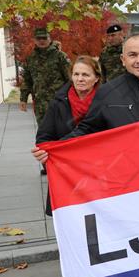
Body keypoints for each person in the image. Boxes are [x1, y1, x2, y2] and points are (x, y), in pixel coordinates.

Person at [31, 35, 139, 161]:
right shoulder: (106, 93)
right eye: (132, 55)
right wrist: (53, 149)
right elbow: (87, 129)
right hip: (123, 174)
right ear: (123, 60)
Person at [35, 55, 101, 215]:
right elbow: (44, 138)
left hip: (99, 175)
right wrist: (45, 157)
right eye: (76, 74)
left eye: (85, 75)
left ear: (96, 78)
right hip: (67, 177)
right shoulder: (58, 102)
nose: (80, 79)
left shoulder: (106, 101)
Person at [19, 27, 71, 126]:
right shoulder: (31, 59)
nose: (42, 41)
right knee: (43, 132)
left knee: (60, 130)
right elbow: (27, 80)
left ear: (49, 39)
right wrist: (23, 99)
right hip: (40, 104)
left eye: (44, 38)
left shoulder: (60, 56)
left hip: (58, 102)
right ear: (34, 40)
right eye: (38, 38)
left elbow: (70, 79)